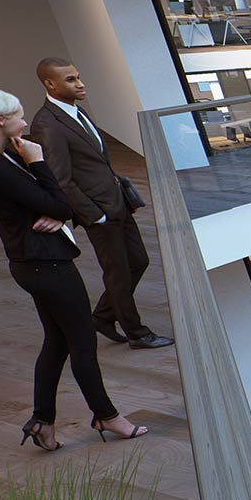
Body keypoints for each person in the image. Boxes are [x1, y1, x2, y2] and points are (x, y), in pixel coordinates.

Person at [0, 84, 146, 450]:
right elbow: (61, 205)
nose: (25, 119)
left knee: (58, 341)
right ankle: (106, 415)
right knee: (81, 343)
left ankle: (42, 421)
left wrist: (53, 208)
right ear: (1, 120)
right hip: (44, 263)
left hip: (35, 261)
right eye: (18, 115)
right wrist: (39, 163)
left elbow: (52, 206)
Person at [31, 61, 170, 351]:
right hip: (100, 211)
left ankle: (104, 317)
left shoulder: (76, 112)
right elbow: (61, 179)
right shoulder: (47, 123)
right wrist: (96, 216)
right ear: (50, 85)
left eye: (79, 77)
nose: (80, 84)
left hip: (116, 203)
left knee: (138, 261)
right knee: (117, 272)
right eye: (71, 80)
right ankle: (137, 333)